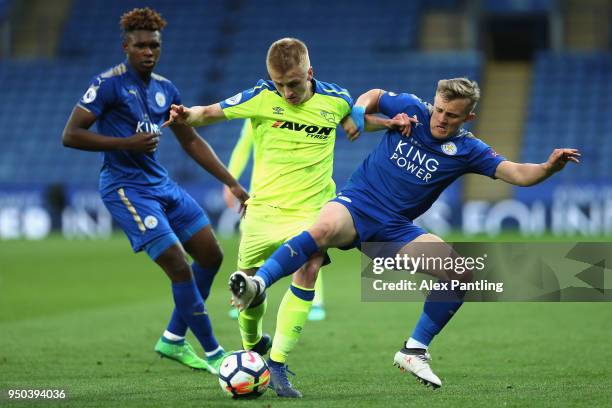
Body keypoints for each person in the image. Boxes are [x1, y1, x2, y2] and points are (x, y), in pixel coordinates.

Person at [228, 78, 581, 392]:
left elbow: (517, 173)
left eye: (452, 115)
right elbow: (374, 95)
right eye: (439, 109)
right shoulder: (412, 108)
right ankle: (259, 284)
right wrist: (360, 112)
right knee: (321, 230)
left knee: (460, 272)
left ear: (468, 118)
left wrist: (549, 167)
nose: (441, 119)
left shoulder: (469, 150)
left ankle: (414, 350)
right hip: (357, 203)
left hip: (394, 228)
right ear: (434, 102)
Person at [163, 37, 371, 397]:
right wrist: (186, 115)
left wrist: (374, 121)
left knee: (310, 266)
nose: (286, 92)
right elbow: (208, 112)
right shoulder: (260, 97)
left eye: (293, 84)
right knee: (246, 288)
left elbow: (359, 113)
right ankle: (253, 345)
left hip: (312, 211)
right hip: (263, 211)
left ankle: (277, 364)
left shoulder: (336, 100)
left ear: (310, 73)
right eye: (279, 84)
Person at [61, 7, 248, 375]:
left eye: (155, 46)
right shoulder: (108, 84)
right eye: (142, 46)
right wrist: (125, 142)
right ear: (126, 46)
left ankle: (173, 339)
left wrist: (232, 182)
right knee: (178, 265)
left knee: (211, 256)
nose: (149, 52)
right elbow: (71, 135)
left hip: (161, 184)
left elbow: (191, 141)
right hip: (125, 188)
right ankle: (214, 354)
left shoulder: (166, 89)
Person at [222, 119, 327, 322]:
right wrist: (230, 180)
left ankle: (316, 300)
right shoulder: (258, 110)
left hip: (298, 196)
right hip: (262, 194)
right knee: (248, 241)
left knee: (307, 243)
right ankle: (243, 296)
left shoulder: (300, 115)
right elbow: (243, 146)